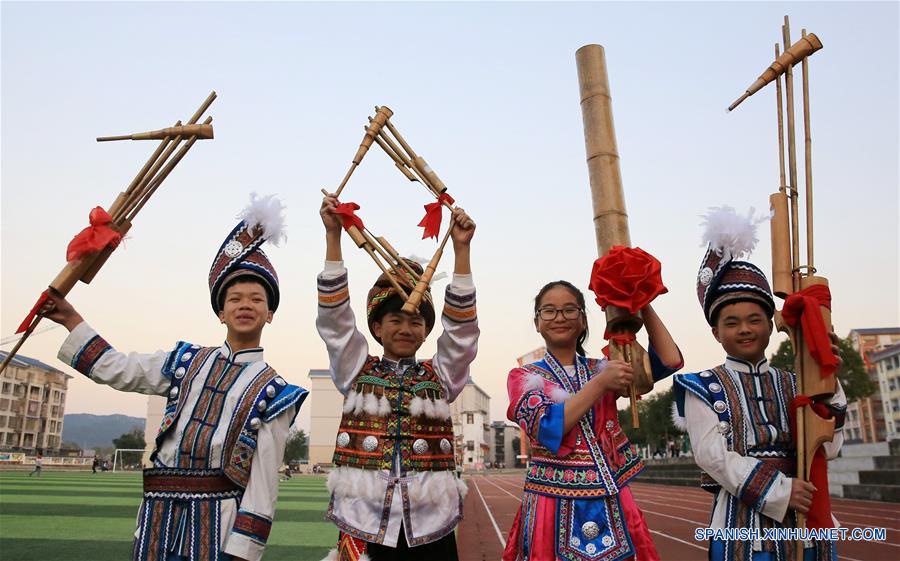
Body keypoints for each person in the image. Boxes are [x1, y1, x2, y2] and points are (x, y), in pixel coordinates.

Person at [40, 195, 307, 561]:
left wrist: (243, 552)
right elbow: (119, 369)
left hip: (220, 526)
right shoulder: (185, 362)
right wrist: (71, 319)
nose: (245, 305)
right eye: (234, 299)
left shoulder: (276, 393)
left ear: (270, 313)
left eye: (256, 299)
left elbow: (263, 487)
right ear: (221, 313)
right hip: (158, 519)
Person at [672, 206, 846, 561]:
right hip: (741, 525)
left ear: (771, 325)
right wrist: (780, 490)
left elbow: (829, 446)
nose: (745, 329)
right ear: (716, 332)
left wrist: (826, 372)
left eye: (754, 320)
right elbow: (711, 457)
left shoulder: (797, 381)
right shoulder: (702, 386)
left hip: (807, 520)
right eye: (732, 323)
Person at [317, 194, 478, 561]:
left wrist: (461, 251)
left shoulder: (440, 376)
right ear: (377, 327)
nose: (406, 328)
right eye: (396, 319)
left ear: (426, 331)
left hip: (430, 526)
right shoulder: (356, 370)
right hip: (364, 520)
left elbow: (461, 336)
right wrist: (333, 238)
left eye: (416, 321)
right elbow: (335, 323)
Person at [503, 279, 682, 561]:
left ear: (584, 320)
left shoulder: (604, 366)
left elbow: (669, 360)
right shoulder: (524, 376)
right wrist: (601, 383)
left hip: (612, 495)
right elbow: (548, 427)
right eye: (549, 310)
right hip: (552, 499)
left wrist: (640, 300)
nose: (559, 317)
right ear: (537, 322)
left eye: (569, 309)